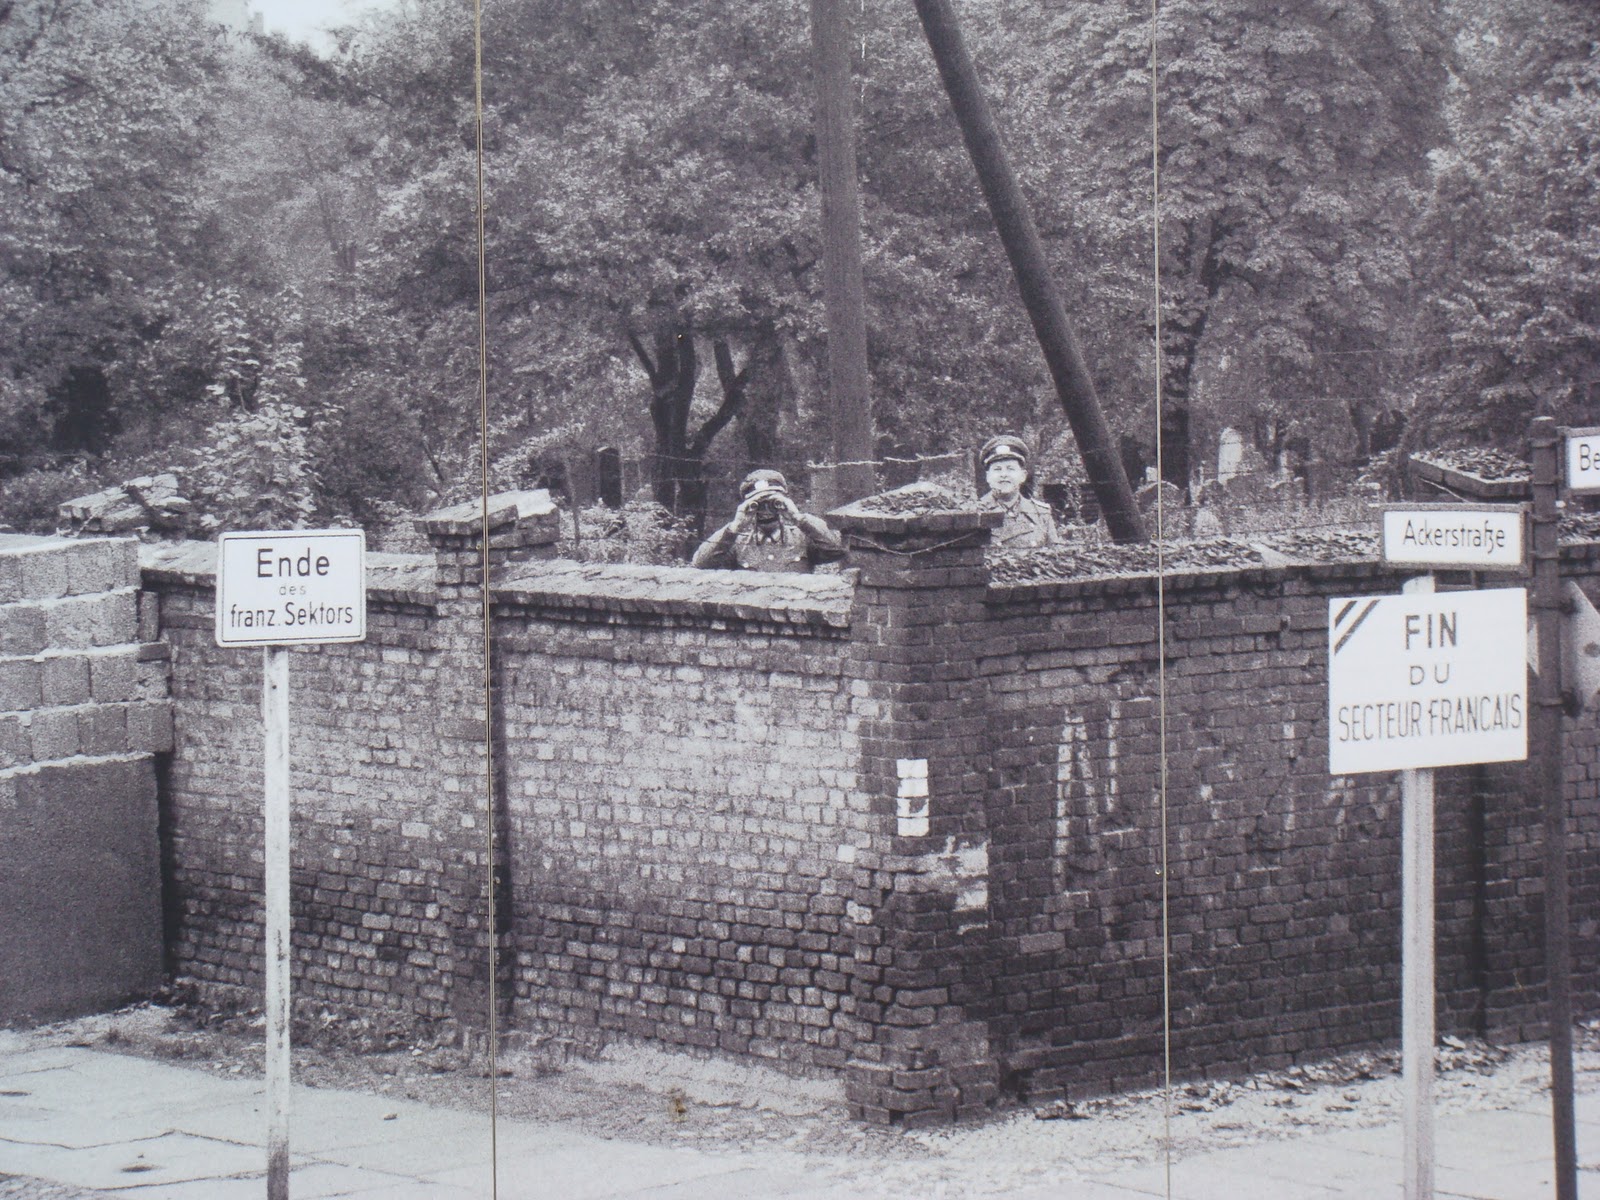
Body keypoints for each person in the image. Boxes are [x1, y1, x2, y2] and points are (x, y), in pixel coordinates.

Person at [691, 469, 845, 572]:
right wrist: (734, 527)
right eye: (757, 505)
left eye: (773, 503)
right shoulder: (737, 542)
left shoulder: (802, 537)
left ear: (785, 501)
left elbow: (838, 550)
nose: (765, 510)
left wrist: (799, 518)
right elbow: (700, 564)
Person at [978, 434, 1061, 549]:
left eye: (1010, 469)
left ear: (1023, 475)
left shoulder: (1041, 513)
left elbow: (1055, 555)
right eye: (997, 469)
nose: (1004, 474)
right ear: (988, 477)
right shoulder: (976, 512)